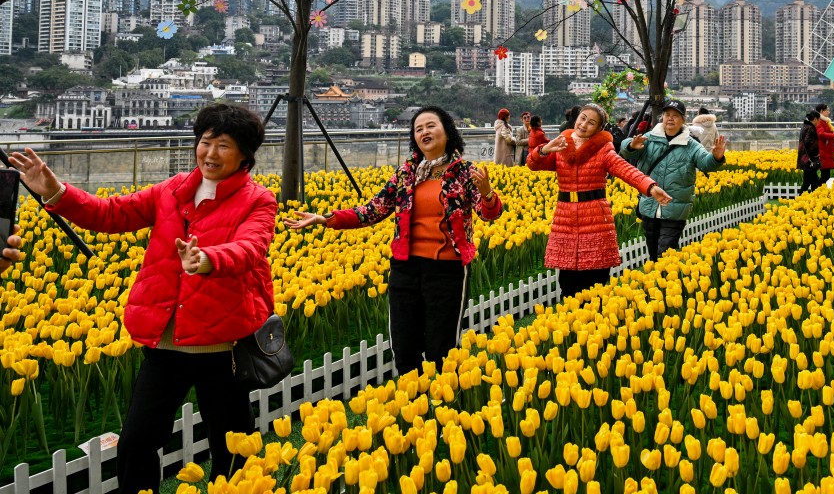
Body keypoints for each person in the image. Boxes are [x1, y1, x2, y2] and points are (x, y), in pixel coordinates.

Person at [9, 104, 275, 493]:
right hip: (165, 342)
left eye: (224, 145)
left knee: (231, 445)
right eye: (205, 143)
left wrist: (206, 260)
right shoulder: (173, 190)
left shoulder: (257, 200)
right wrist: (55, 191)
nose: (211, 154)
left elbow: (251, 248)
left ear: (245, 156)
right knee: (136, 441)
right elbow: (110, 215)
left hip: (224, 347)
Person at [285, 106, 502, 376]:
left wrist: (489, 193)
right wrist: (326, 218)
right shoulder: (406, 175)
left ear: (447, 131)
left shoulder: (465, 173)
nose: (424, 131)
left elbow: (487, 213)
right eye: (418, 128)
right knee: (404, 345)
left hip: (447, 269)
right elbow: (373, 209)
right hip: (406, 268)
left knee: (441, 349)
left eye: (431, 125)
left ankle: (445, 407)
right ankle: (412, 405)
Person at [528, 103, 671, 299]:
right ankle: (571, 324)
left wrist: (651, 187)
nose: (584, 124)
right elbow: (532, 164)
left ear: (598, 129)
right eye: (583, 118)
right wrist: (544, 149)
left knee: (595, 279)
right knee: (567, 281)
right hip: (566, 218)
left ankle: (595, 323)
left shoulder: (603, 150)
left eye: (591, 122)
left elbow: (626, 169)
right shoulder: (561, 144)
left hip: (595, 217)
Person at [621, 99, 726, 261]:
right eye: (667, 114)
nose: (670, 118)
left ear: (683, 120)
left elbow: (705, 163)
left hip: (675, 208)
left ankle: (666, 282)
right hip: (649, 206)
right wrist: (631, 146)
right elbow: (626, 149)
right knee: (653, 253)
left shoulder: (691, 145)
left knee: (665, 253)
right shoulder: (650, 138)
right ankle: (658, 282)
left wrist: (716, 158)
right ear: (662, 117)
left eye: (675, 116)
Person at [815, 102, 834, 187]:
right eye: (827, 110)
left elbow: (826, 133)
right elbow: (821, 134)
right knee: (825, 176)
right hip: (823, 151)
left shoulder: (825, 121)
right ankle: (816, 191)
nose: (828, 112)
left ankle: (818, 191)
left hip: (826, 150)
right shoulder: (820, 122)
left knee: (825, 175)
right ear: (821, 111)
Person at [797, 110, 822, 193]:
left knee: (814, 181)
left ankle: (815, 199)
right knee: (807, 182)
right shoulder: (811, 128)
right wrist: (815, 154)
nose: (818, 122)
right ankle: (799, 199)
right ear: (815, 119)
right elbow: (809, 143)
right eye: (818, 120)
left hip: (804, 158)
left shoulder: (804, 126)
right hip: (809, 160)